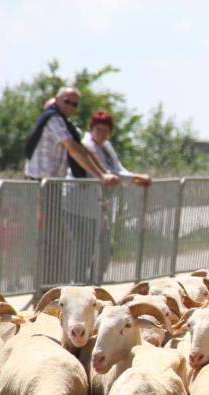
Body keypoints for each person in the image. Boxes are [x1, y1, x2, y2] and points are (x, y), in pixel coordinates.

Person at [24, 87, 118, 285]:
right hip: (41, 186)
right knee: (46, 239)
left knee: (55, 238)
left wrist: (103, 173)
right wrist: (101, 175)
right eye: (67, 102)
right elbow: (73, 149)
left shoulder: (64, 122)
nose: (70, 107)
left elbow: (82, 150)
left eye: (75, 104)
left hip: (52, 187)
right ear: (57, 100)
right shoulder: (54, 119)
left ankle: (51, 285)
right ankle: (43, 286)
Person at [82, 111, 152, 279]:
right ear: (91, 129)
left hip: (102, 204)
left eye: (105, 130)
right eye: (98, 129)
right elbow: (108, 173)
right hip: (85, 203)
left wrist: (134, 177)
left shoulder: (107, 146)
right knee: (87, 248)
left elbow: (118, 170)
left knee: (105, 248)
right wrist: (137, 178)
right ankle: (82, 282)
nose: (102, 133)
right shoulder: (87, 145)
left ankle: (94, 282)